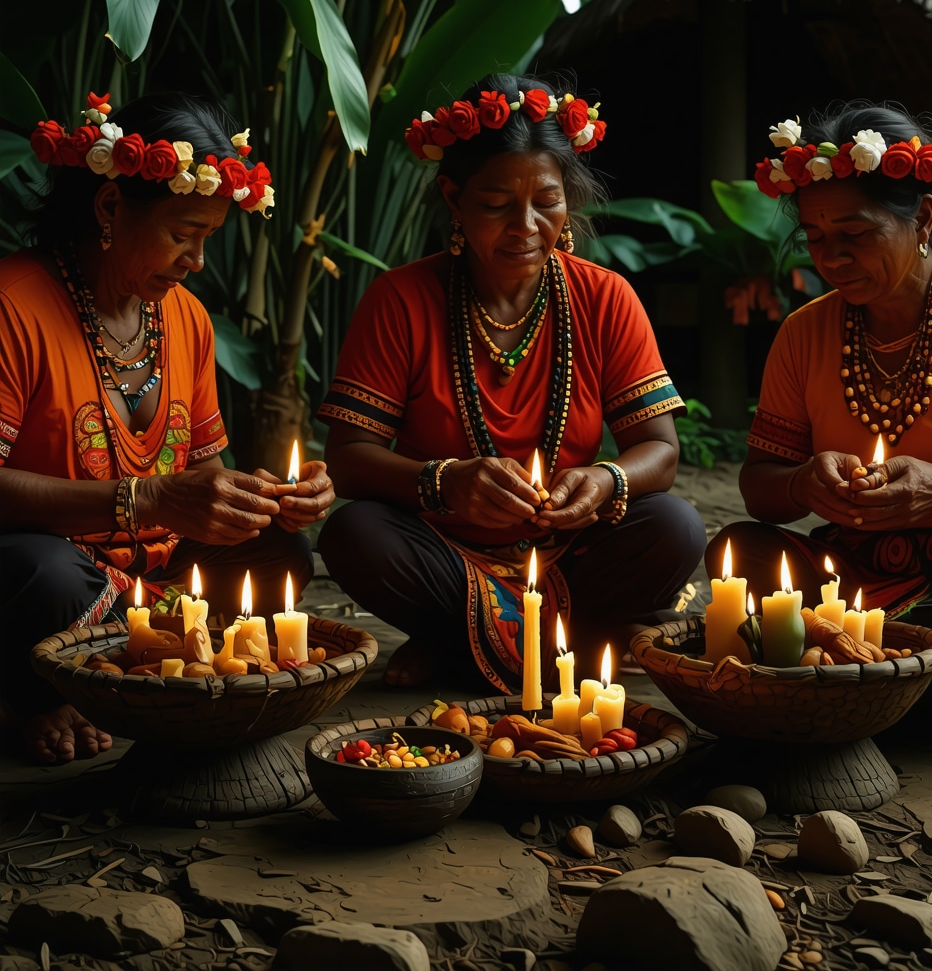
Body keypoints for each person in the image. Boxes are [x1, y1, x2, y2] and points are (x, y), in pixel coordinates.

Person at [317, 73, 705, 692]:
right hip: (443, 551)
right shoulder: (400, 298)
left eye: (546, 202)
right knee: (354, 533)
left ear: (568, 201)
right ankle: (571, 642)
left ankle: (457, 644)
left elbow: (660, 449)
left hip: (571, 550)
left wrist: (607, 480)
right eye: (496, 204)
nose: (525, 225)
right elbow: (348, 461)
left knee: (675, 527)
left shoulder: (605, 297)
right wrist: (444, 482)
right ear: (454, 199)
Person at [0, 91, 335, 763]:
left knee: (283, 556)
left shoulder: (186, 319)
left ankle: (118, 664)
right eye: (183, 234)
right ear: (110, 207)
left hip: (159, 574)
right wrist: (144, 499)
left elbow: (204, 476)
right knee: (46, 578)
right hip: (54, 575)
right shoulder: (14, 305)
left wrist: (264, 500)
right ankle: (33, 692)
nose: (197, 262)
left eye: (207, 239)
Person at [707, 99, 932, 757]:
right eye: (817, 237)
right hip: (858, 573)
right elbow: (760, 488)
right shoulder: (806, 332)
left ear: (925, 218)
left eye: (856, 233)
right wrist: (803, 483)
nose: (833, 257)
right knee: (740, 556)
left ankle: (868, 685)